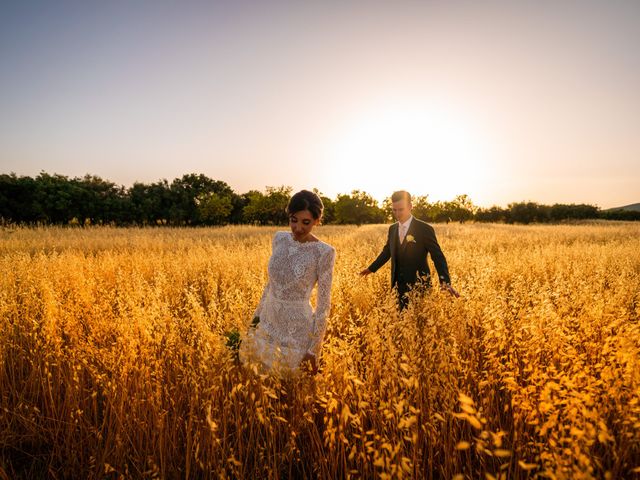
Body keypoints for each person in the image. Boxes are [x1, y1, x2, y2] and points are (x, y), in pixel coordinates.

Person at [239, 190, 336, 374]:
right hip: (267, 323)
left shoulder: (324, 252)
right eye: (293, 220)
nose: (298, 227)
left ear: (317, 220)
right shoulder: (279, 238)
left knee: (289, 393)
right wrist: (254, 322)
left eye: (306, 222)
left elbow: (323, 305)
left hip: (296, 332)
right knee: (260, 385)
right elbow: (270, 285)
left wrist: (313, 349)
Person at [360, 190, 459, 310]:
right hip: (397, 287)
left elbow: (438, 256)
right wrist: (371, 268)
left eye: (401, 209)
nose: (397, 214)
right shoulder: (392, 229)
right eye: (394, 210)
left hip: (420, 288)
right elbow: (387, 251)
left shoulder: (424, 229)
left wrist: (445, 281)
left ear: (410, 206)